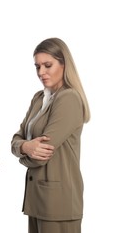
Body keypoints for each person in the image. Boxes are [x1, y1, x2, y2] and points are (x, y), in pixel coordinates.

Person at [11, 37, 90, 233]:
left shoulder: (69, 98)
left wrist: (20, 154)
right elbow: (17, 138)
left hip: (59, 202)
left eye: (48, 65)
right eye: (37, 66)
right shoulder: (39, 98)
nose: (41, 72)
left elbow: (43, 154)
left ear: (64, 64)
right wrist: (24, 147)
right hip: (37, 199)